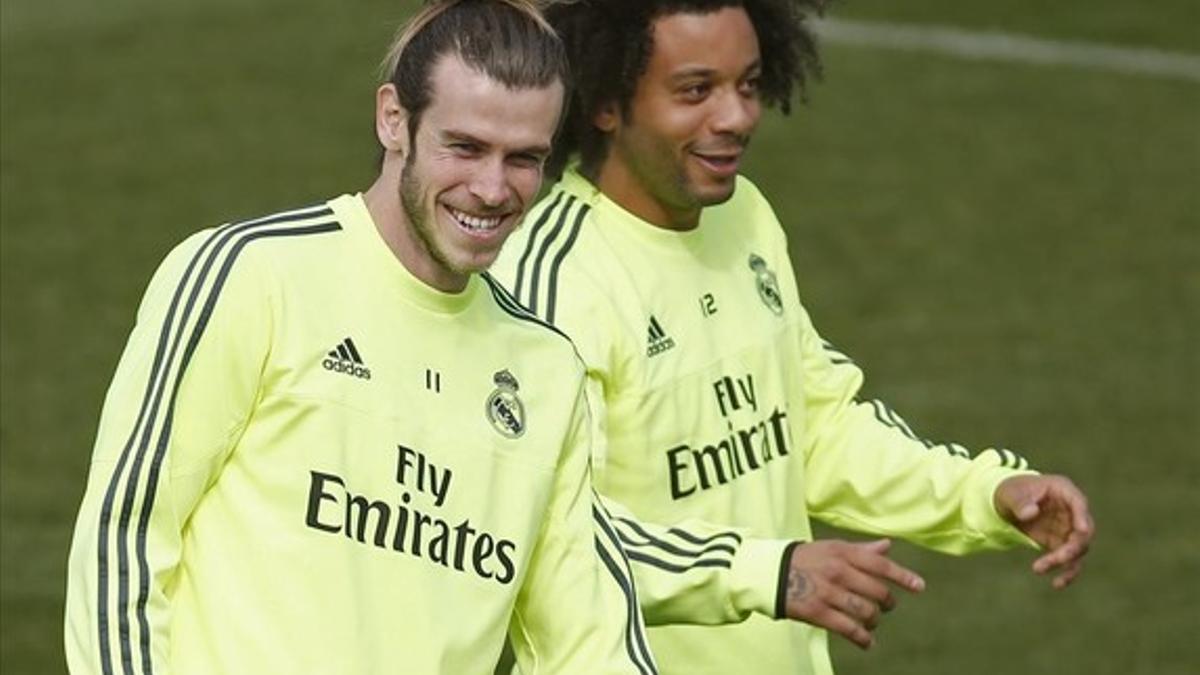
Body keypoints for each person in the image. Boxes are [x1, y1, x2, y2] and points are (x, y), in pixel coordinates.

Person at [492, 0, 1096, 673]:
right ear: (606, 100)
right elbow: (552, 536)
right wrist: (769, 571)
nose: (737, 117)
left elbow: (814, 428)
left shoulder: (745, 217)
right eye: (696, 90)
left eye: (747, 84)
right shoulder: (549, 279)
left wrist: (984, 493)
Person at [64, 2, 668, 672]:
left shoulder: (545, 368)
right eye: (464, 147)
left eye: (524, 159)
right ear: (394, 119)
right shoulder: (251, 276)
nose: (493, 189)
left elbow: (589, 639)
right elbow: (124, 541)